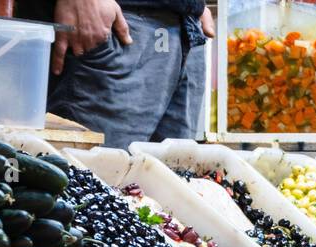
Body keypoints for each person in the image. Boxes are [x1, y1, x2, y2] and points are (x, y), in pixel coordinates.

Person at [18, 0, 212, 149]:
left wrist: (194, 6)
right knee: (91, 186)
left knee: (166, 194)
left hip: (186, 28)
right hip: (116, 25)